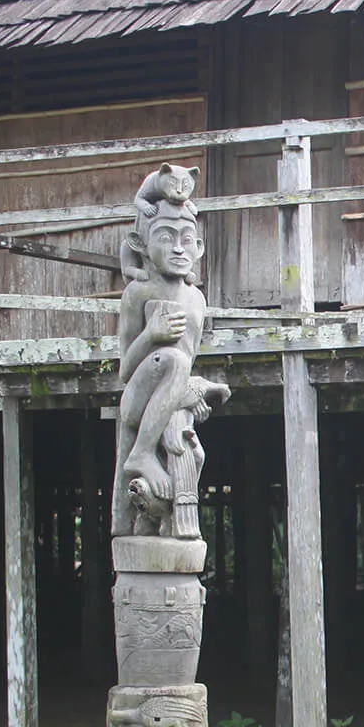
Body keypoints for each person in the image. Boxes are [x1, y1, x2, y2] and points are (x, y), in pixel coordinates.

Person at [113, 165, 227, 538]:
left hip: (173, 399)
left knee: (192, 449)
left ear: (199, 248)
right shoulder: (139, 294)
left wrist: (192, 396)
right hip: (139, 403)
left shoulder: (196, 299)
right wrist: (151, 335)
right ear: (142, 246)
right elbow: (125, 370)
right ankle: (141, 454)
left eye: (186, 238)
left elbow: (188, 363)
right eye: (165, 237)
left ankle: (173, 519)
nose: (178, 248)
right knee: (175, 360)